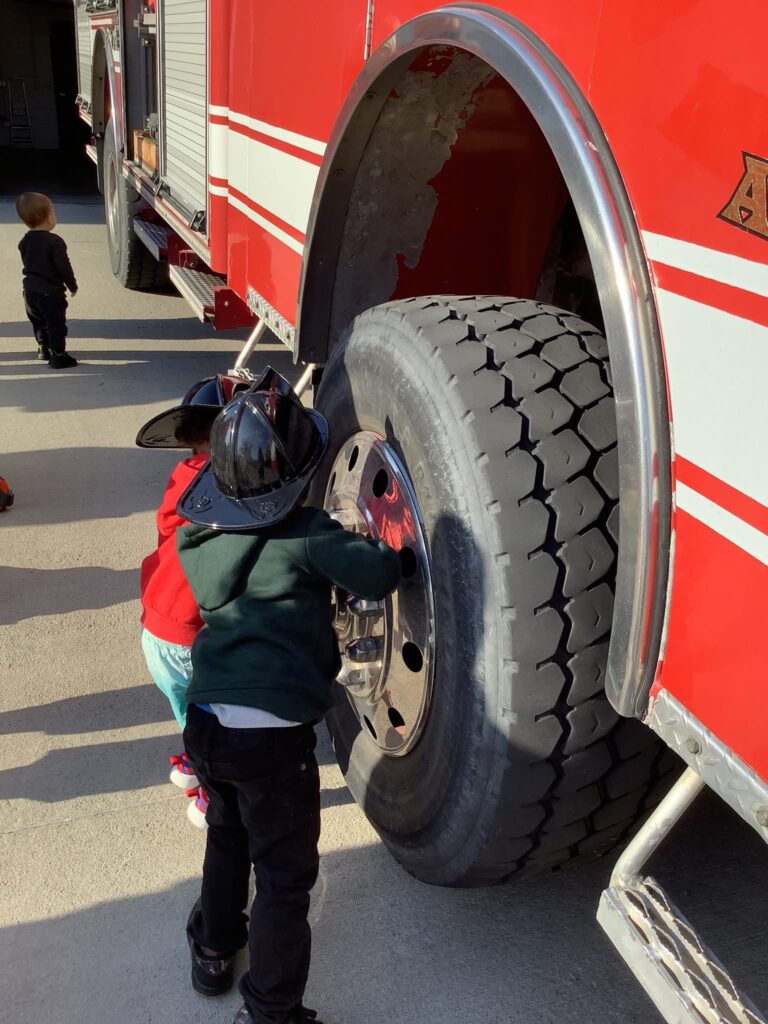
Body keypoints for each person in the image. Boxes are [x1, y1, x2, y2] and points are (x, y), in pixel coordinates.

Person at [176, 367, 401, 1024]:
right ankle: (271, 1011)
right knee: (283, 875)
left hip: (206, 722)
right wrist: (403, 559)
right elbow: (376, 573)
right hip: (271, 741)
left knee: (227, 835)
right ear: (297, 480)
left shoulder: (198, 537)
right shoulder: (307, 534)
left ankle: (213, 949)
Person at [136, 372, 251, 825]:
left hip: (157, 628)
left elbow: (167, 528)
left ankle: (192, 759)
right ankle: (214, 797)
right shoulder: (241, 487)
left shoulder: (183, 477)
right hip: (195, 634)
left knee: (190, 711)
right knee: (229, 720)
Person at [16, 192, 78, 369]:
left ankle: (43, 348)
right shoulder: (54, 242)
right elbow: (63, 267)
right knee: (55, 324)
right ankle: (58, 355)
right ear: (50, 217)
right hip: (50, 293)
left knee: (38, 322)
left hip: (29, 291)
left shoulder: (24, 242)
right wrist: (72, 285)